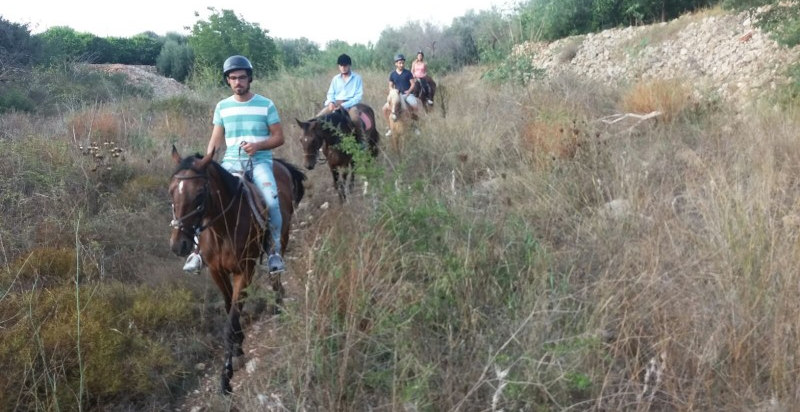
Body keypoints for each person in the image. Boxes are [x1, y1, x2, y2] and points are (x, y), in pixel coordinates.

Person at [183, 55, 287, 275]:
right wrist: (206, 161)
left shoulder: (266, 104)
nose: (238, 82)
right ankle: (197, 251)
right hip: (230, 162)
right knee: (204, 199)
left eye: (242, 77)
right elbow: (216, 139)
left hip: (259, 162)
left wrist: (258, 146)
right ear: (228, 80)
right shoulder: (222, 107)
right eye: (233, 78)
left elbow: (279, 137)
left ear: (249, 79)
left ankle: (274, 251)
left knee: (271, 200)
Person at [316, 53, 364, 138]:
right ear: (339, 66)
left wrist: (344, 105)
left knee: (355, 119)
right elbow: (330, 93)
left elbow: (358, 96)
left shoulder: (357, 78)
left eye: (345, 66)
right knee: (317, 119)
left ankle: (361, 140)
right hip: (335, 103)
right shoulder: (335, 79)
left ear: (349, 65)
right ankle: (320, 143)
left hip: (350, 104)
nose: (343, 68)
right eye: (341, 66)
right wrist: (331, 102)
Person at [382, 54, 419, 136]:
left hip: (407, 94)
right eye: (399, 63)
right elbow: (390, 85)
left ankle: (414, 125)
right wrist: (393, 91)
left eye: (402, 63)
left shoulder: (408, 73)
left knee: (414, 105)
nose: (401, 65)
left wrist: (409, 91)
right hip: (397, 95)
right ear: (396, 64)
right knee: (384, 109)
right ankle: (389, 127)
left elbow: (412, 84)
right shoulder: (392, 74)